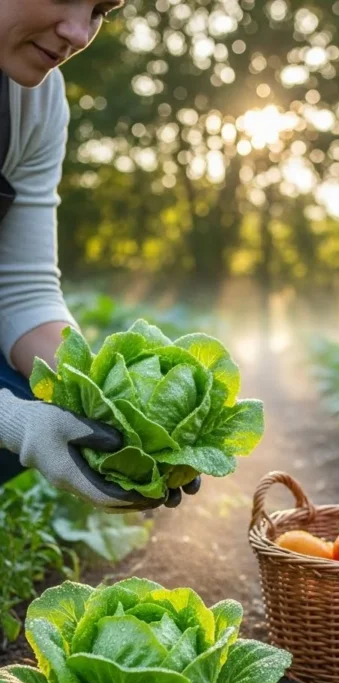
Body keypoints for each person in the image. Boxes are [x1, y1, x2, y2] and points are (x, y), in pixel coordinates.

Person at [0, 0, 199, 511]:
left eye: (101, 10)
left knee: (39, 393)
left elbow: (23, 292)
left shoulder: (37, 102)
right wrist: (14, 421)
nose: (78, 32)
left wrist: (105, 402)